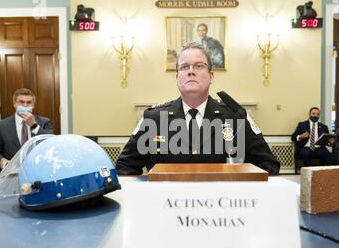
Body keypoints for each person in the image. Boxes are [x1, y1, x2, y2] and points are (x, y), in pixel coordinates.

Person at [116, 43, 280, 175]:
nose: (191, 72)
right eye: (184, 67)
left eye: (199, 66)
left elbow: (268, 166)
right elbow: (125, 167)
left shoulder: (234, 116)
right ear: (177, 78)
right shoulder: (155, 118)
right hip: (167, 208)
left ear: (211, 76)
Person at [0, 88, 54, 170]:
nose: (25, 105)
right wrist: (1, 161)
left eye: (29, 102)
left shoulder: (44, 122)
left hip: (38, 169)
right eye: (21, 102)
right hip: (11, 171)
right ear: (14, 104)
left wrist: (34, 125)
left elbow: (50, 144)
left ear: (33, 105)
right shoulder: (1, 125)